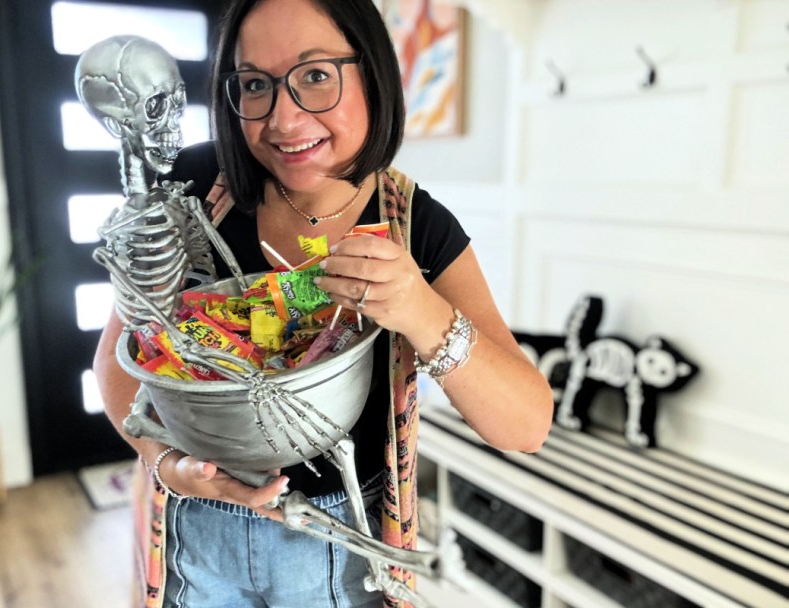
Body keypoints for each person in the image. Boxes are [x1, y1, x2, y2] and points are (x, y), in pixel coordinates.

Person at [93, 1, 554, 606]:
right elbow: (119, 363)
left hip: (336, 546)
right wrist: (164, 461)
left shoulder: (419, 227)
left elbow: (525, 425)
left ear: (373, 74)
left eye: (315, 75)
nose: (283, 119)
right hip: (198, 530)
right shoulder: (195, 188)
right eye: (255, 84)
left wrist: (421, 309)